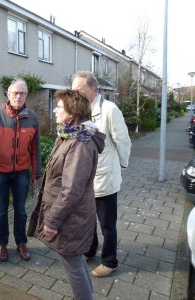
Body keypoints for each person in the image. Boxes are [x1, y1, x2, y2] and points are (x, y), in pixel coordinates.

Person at [28, 89, 105, 300]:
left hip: (70, 217)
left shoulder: (79, 143)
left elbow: (71, 190)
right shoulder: (68, 135)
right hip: (71, 215)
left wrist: (51, 221)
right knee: (76, 261)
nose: (54, 110)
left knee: (73, 265)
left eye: (59, 107)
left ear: (72, 112)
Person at [71, 71, 131, 278]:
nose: (75, 94)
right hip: (85, 178)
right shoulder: (79, 111)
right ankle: (89, 250)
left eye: (78, 89)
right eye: (73, 90)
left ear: (93, 89)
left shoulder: (109, 110)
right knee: (87, 219)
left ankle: (110, 261)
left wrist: (122, 165)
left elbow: (123, 140)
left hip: (104, 176)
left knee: (107, 224)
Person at [0, 79, 42, 262]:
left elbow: (35, 148)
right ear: (8, 95)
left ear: (26, 95)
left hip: (22, 173)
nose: (18, 96)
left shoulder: (32, 118)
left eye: (22, 93)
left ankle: (21, 243)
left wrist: (36, 173)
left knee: (21, 210)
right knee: (1, 211)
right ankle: (1, 244)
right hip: (0, 171)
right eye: (15, 93)